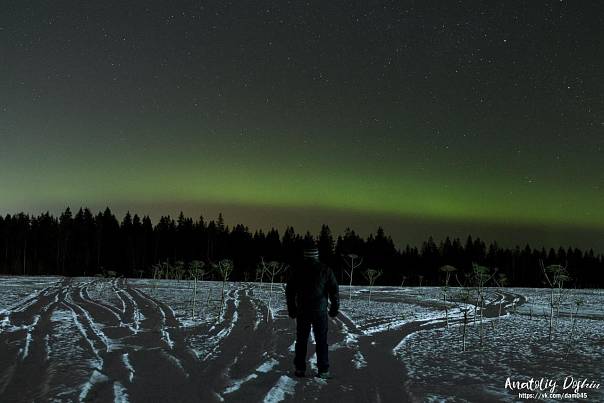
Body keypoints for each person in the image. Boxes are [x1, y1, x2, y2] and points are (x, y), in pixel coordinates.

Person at [285, 245, 340, 379]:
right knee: (321, 341)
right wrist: (334, 308)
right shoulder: (325, 270)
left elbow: (290, 291)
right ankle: (323, 370)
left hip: (302, 311)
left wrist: (292, 309)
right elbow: (334, 290)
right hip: (319, 311)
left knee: (301, 340)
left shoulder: (297, 270)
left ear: (305, 255)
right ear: (316, 255)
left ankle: (299, 369)